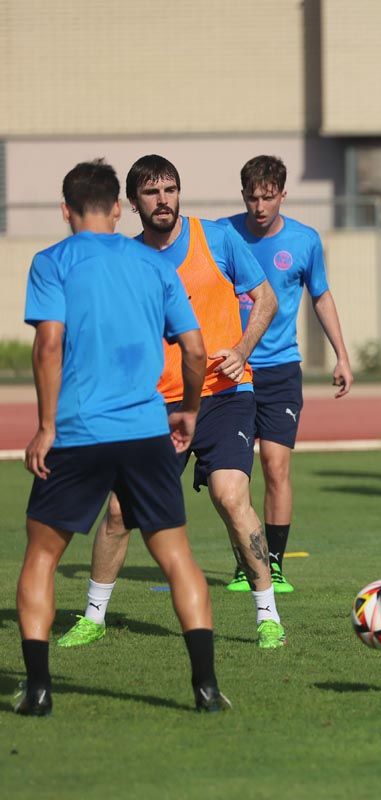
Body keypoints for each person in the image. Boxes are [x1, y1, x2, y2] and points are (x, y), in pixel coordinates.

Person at [17, 159, 228, 715]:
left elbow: (48, 346)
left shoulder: (50, 262)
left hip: (78, 434)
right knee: (177, 557)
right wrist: (186, 411)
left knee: (41, 556)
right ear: (118, 207)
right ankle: (205, 688)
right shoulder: (154, 265)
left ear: (65, 211)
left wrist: (44, 426)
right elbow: (197, 350)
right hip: (144, 431)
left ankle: (38, 691)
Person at [57, 154, 287, 651]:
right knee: (120, 512)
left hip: (225, 396)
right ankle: (93, 617)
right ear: (132, 204)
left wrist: (243, 351)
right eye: (151, 193)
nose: (163, 200)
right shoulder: (128, 259)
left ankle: (268, 615)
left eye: (170, 190)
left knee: (231, 495)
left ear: (179, 193)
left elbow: (266, 298)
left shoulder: (218, 239)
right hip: (156, 406)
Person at [221, 155, 354, 592]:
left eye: (268, 197)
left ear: (282, 194)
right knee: (234, 477)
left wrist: (342, 355)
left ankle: (273, 563)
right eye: (252, 198)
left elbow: (321, 296)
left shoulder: (304, 240)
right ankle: (246, 562)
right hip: (230, 371)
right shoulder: (222, 235)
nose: (259, 207)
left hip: (280, 370)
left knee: (276, 468)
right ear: (243, 197)